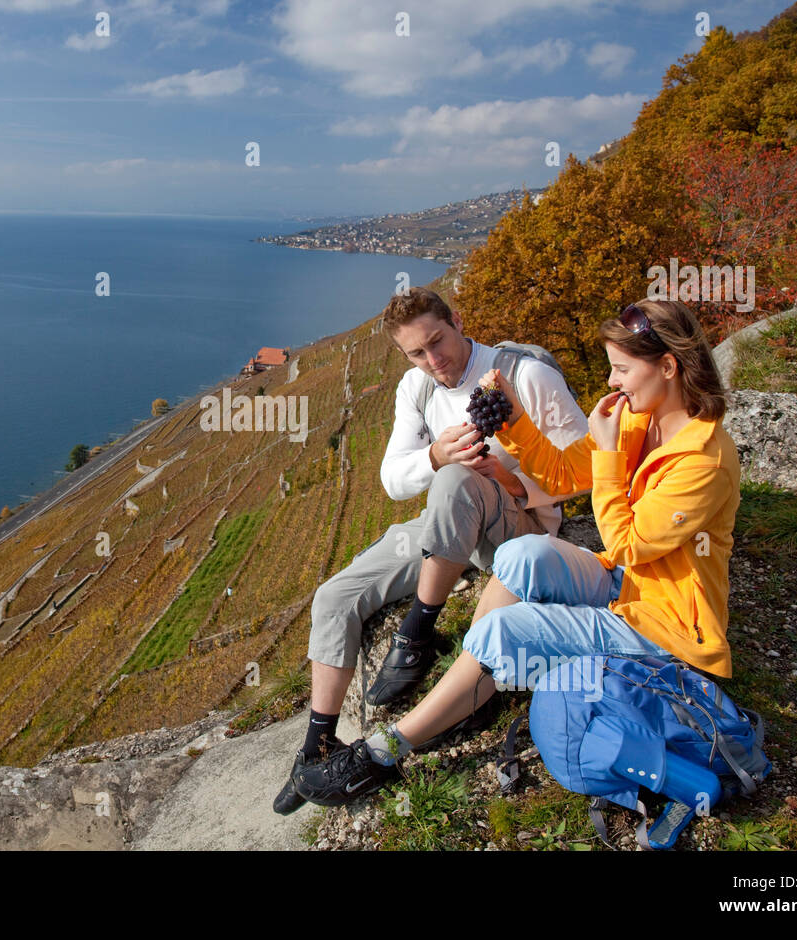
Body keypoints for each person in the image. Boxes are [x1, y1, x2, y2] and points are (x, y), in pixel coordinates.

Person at [293, 297, 741, 806]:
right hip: (627, 586)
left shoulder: (704, 460)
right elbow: (565, 472)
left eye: (621, 369)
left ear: (667, 366)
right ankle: (472, 684)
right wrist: (512, 419)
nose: (613, 382)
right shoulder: (644, 421)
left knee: (506, 631)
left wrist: (610, 454)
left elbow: (627, 543)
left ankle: (382, 751)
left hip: (668, 628)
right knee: (520, 555)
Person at [273, 287, 588, 814]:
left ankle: (418, 631)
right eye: (417, 353)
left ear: (458, 321)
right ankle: (316, 747)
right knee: (333, 597)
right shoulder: (416, 388)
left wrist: (507, 480)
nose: (433, 360)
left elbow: (584, 470)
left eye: (438, 342)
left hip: (522, 524)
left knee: (457, 480)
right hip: (450, 522)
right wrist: (435, 455)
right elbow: (393, 479)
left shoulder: (525, 375)